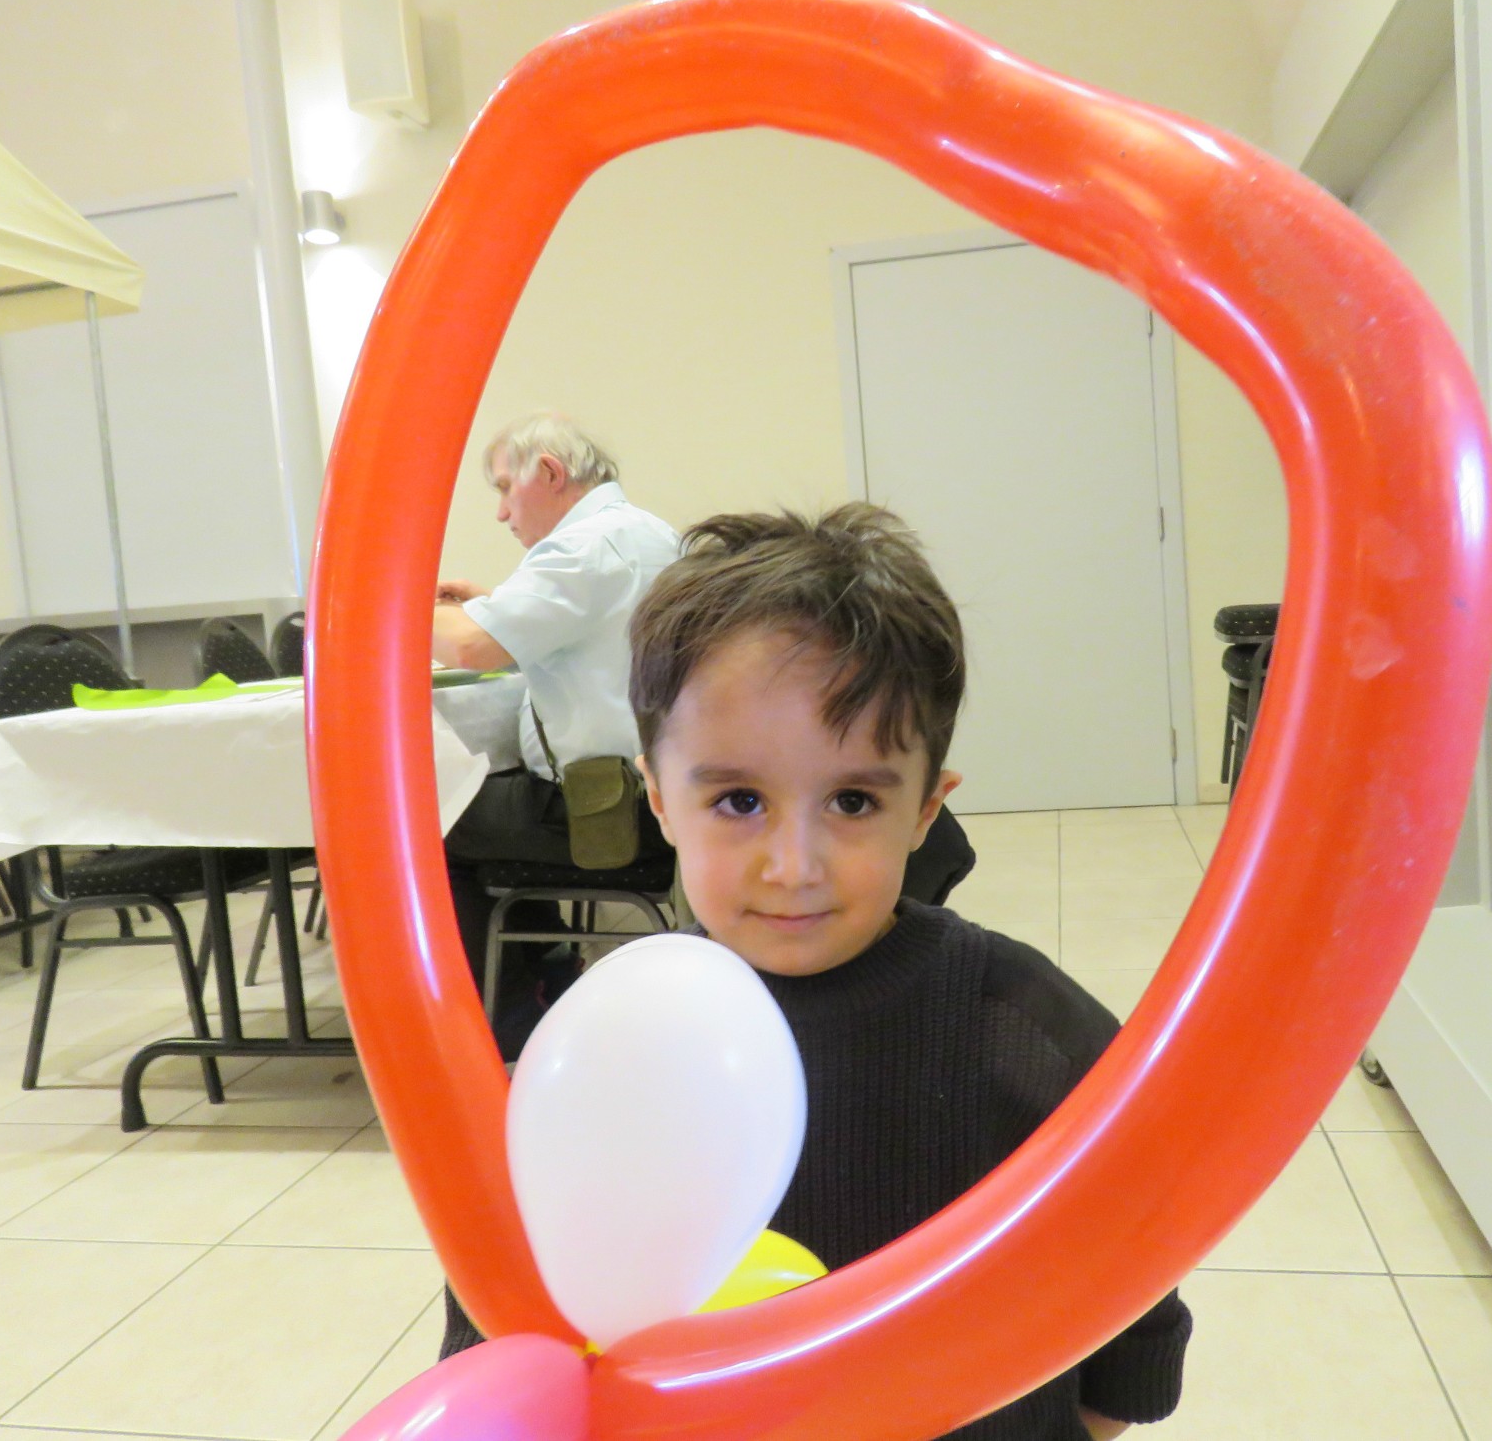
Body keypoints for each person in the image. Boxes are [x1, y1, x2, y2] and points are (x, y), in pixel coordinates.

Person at [441, 504, 1190, 1438]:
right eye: (739, 799)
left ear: (925, 810)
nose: (793, 864)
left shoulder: (1019, 1023)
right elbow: (506, 1324)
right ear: (659, 798)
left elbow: (1133, 1283)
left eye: (850, 799)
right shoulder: (604, 1048)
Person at [430, 413, 682, 1053]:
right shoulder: (647, 533)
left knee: (429, 820)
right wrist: (488, 601)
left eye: (504, 488)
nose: (501, 513)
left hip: (610, 812)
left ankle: (513, 1016)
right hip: (661, 796)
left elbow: (472, 647)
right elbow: (583, 633)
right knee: (486, 796)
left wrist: (407, 596)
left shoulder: (582, 548)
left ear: (549, 472)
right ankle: (548, 968)